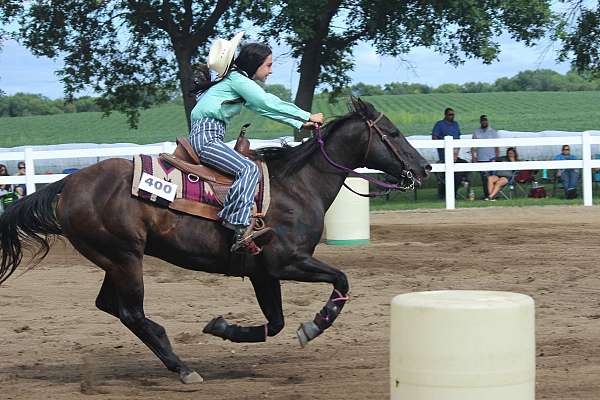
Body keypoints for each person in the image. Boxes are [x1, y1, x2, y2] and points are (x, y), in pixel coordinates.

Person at [189, 32, 323, 253]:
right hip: (207, 138)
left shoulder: (236, 81)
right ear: (256, 64)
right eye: (268, 65)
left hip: (207, 135)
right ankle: (238, 227)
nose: (270, 70)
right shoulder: (237, 80)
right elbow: (266, 101)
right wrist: (307, 115)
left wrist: (299, 124)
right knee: (249, 169)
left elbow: (262, 109)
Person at [471, 115, 499, 199]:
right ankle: (487, 194)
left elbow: (497, 147)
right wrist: (474, 157)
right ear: (480, 121)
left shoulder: (493, 132)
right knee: (484, 178)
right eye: (482, 120)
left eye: (485, 120)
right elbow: (473, 147)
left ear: (487, 121)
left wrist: (496, 158)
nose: (484, 122)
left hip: (492, 158)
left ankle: (493, 194)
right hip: (481, 159)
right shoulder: (476, 132)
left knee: (493, 178)